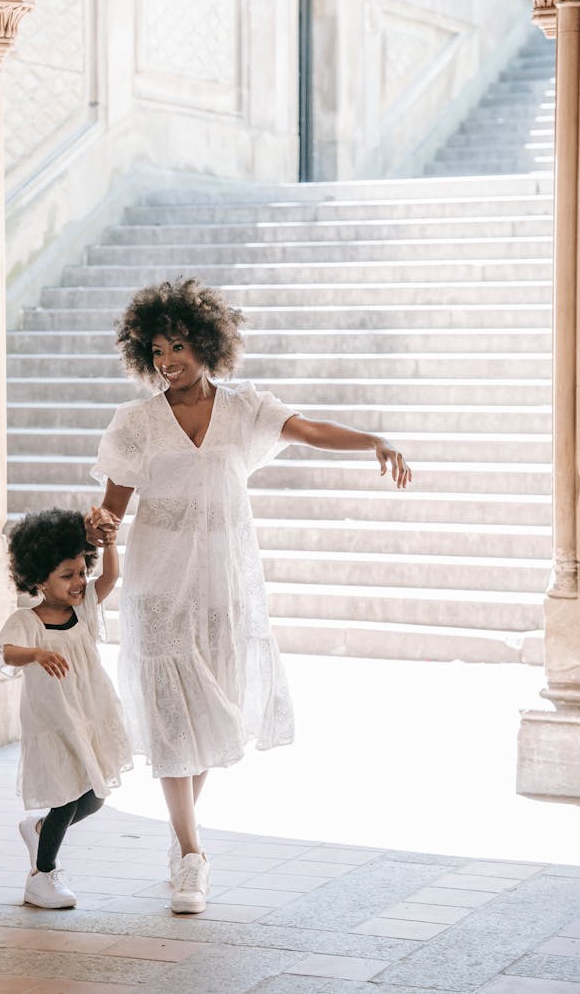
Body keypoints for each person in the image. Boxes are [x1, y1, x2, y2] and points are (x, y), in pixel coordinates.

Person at [86, 278, 413, 915]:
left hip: (221, 584)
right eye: (156, 349)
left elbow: (309, 429)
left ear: (207, 343)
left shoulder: (244, 409)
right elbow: (111, 509)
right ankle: (189, 853)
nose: (167, 360)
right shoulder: (135, 424)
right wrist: (97, 531)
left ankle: (181, 840)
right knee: (171, 713)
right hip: (158, 586)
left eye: (178, 345)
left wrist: (375, 440)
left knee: (210, 714)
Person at [0, 507, 132, 909]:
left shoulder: (83, 609)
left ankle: (39, 829)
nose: (79, 581)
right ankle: (42, 874)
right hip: (54, 721)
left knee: (94, 796)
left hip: (88, 713)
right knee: (67, 796)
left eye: (80, 571)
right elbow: (8, 653)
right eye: (67, 575)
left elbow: (110, 577)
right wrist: (37, 653)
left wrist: (108, 544)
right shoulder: (29, 620)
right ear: (40, 579)